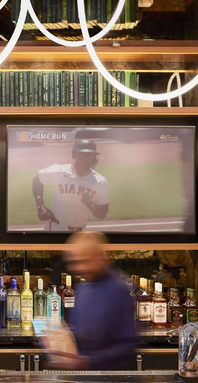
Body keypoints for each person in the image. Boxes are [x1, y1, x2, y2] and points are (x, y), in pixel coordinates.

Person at [53, 231, 137, 370]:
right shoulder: (82, 288)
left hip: (112, 381)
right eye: (74, 263)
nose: (79, 268)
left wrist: (87, 361)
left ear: (98, 257)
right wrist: (59, 339)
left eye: (85, 262)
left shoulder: (118, 289)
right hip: (85, 379)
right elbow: (83, 332)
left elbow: (127, 346)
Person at [31, 139, 110, 232]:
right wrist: (40, 206)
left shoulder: (100, 181)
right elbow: (37, 180)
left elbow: (102, 215)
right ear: (75, 155)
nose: (90, 157)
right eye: (86, 154)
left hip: (80, 233)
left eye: (92, 155)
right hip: (56, 229)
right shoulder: (60, 171)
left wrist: (90, 204)